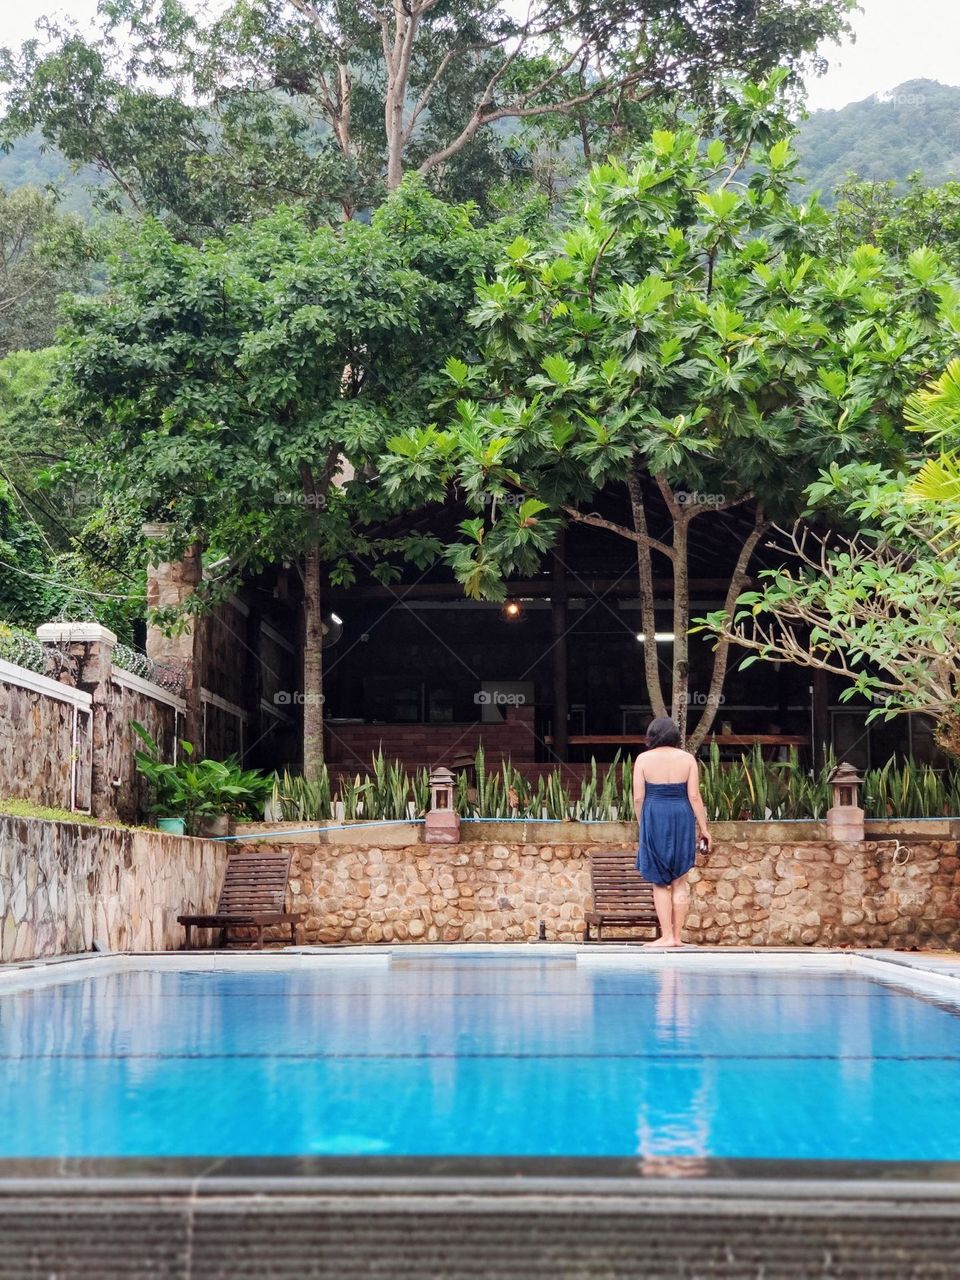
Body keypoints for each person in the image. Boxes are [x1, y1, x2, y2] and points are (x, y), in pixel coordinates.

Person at [633, 716, 712, 948]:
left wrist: (643, 824)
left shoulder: (643, 760)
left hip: (654, 816)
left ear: (652, 735)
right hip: (681, 815)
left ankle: (666, 936)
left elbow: (638, 798)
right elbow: (695, 797)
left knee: (659, 883)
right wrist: (704, 829)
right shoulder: (687, 759)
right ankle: (677, 937)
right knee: (680, 881)